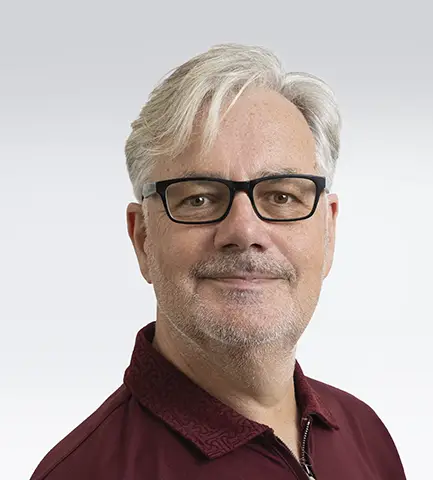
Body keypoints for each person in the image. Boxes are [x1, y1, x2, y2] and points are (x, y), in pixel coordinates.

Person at [30, 43, 407, 479]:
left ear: (328, 230)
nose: (244, 231)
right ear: (143, 238)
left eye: (282, 196)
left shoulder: (366, 435)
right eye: (199, 199)